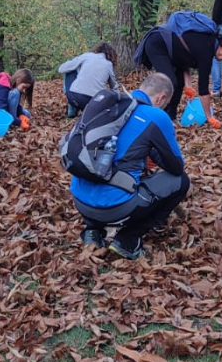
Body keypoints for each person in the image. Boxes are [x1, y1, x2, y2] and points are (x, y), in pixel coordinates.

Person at [70, 72, 190, 260]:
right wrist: (152, 152)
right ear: (162, 98)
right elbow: (175, 166)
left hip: (79, 200)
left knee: (105, 169)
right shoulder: (155, 115)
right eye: (165, 105)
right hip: (115, 207)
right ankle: (128, 239)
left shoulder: (108, 106)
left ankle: (93, 231)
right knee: (181, 181)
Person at [135, 22, 222, 122]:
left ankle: (170, 117)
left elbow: (185, 60)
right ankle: (148, 112)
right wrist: (209, 117)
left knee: (179, 82)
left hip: (170, 49)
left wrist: (188, 86)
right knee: (170, 82)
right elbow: (203, 90)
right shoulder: (208, 50)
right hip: (157, 43)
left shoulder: (209, 43)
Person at [58, 42, 119, 117]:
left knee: (70, 71)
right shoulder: (108, 64)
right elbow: (114, 87)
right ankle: (86, 110)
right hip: (94, 102)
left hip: (74, 98)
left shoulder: (87, 56)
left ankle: (72, 107)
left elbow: (61, 69)